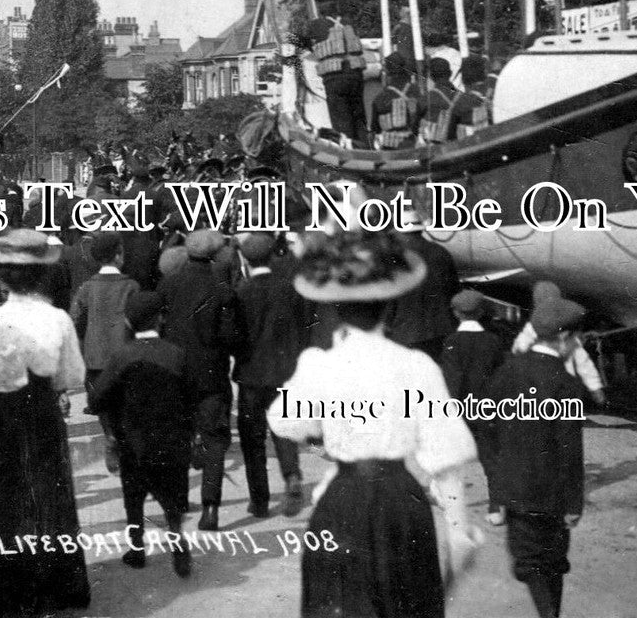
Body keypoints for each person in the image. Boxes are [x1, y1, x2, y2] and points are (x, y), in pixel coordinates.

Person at [270, 229, 480, 618]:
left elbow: (285, 423)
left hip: (343, 499)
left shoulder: (320, 364)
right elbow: (446, 457)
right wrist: (458, 530)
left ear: (335, 306)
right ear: (389, 304)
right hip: (402, 501)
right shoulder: (417, 366)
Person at [0, 228, 91, 613]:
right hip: (42, 409)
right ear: (42, 275)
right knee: (49, 492)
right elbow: (72, 377)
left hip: (1, 413)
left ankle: (15, 582)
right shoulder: (56, 318)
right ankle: (59, 582)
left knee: (7, 494)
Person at [486, 296, 586, 618]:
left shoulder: (507, 372)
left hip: (516, 490)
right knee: (552, 562)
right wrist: (574, 502)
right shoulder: (568, 385)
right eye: (576, 338)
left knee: (530, 562)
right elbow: (571, 449)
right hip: (553, 494)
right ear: (562, 338)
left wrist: (498, 478)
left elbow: (483, 425)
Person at [88, 290, 194, 578]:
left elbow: (97, 400)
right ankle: (177, 540)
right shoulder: (177, 354)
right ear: (161, 319)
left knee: (133, 498)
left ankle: (137, 549)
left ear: (128, 322)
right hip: (171, 440)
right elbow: (192, 395)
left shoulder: (122, 356)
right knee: (171, 497)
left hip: (133, 442)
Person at [156, 229, 243, 531]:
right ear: (216, 254)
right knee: (216, 438)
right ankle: (210, 508)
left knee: (178, 436)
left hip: (174, 373)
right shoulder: (222, 289)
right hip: (211, 374)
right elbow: (231, 337)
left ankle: (179, 500)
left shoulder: (168, 285)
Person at [233, 232, 311, 518]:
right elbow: (305, 327)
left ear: (246, 259)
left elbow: (235, 335)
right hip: (284, 371)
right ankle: (291, 475)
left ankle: (260, 499)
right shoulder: (290, 288)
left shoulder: (240, 292)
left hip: (251, 374)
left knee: (252, 438)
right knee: (285, 428)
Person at [69, 232, 139, 474]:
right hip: (125, 353)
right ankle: (125, 440)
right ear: (119, 256)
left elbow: (76, 318)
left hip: (96, 354)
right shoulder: (131, 286)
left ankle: (110, 436)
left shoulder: (87, 287)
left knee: (103, 400)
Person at [440, 289, 509, 526]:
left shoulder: (452, 342)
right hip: (488, 409)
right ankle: (496, 507)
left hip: (461, 409)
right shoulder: (493, 341)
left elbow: (452, 380)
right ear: (481, 312)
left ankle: (451, 502)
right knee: (491, 460)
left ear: (456, 314)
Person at [512, 282, 607, 407]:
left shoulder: (532, 328)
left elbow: (517, 349)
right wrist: (595, 387)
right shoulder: (567, 331)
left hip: (537, 384)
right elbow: (583, 361)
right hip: (563, 385)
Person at [384, 210, 460, 360]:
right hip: (441, 331)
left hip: (406, 334)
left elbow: (389, 302)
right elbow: (454, 291)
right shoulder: (441, 253)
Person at [311, 0, 369, 146]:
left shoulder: (316, 25)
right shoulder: (349, 22)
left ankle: (350, 155)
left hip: (335, 78)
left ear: (320, 9)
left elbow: (296, 41)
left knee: (342, 121)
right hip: (355, 76)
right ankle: (367, 150)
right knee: (359, 118)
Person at [370, 52, 421, 150]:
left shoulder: (380, 98)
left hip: (389, 148)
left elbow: (375, 130)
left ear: (387, 71)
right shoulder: (416, 91)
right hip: (413, 146)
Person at [418, 57, 461, 144]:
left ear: (431, 76)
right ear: (450, 73)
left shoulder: (427, 99)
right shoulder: (463, 97)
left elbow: (414, 126)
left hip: (436, 150)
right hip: (458, 146)